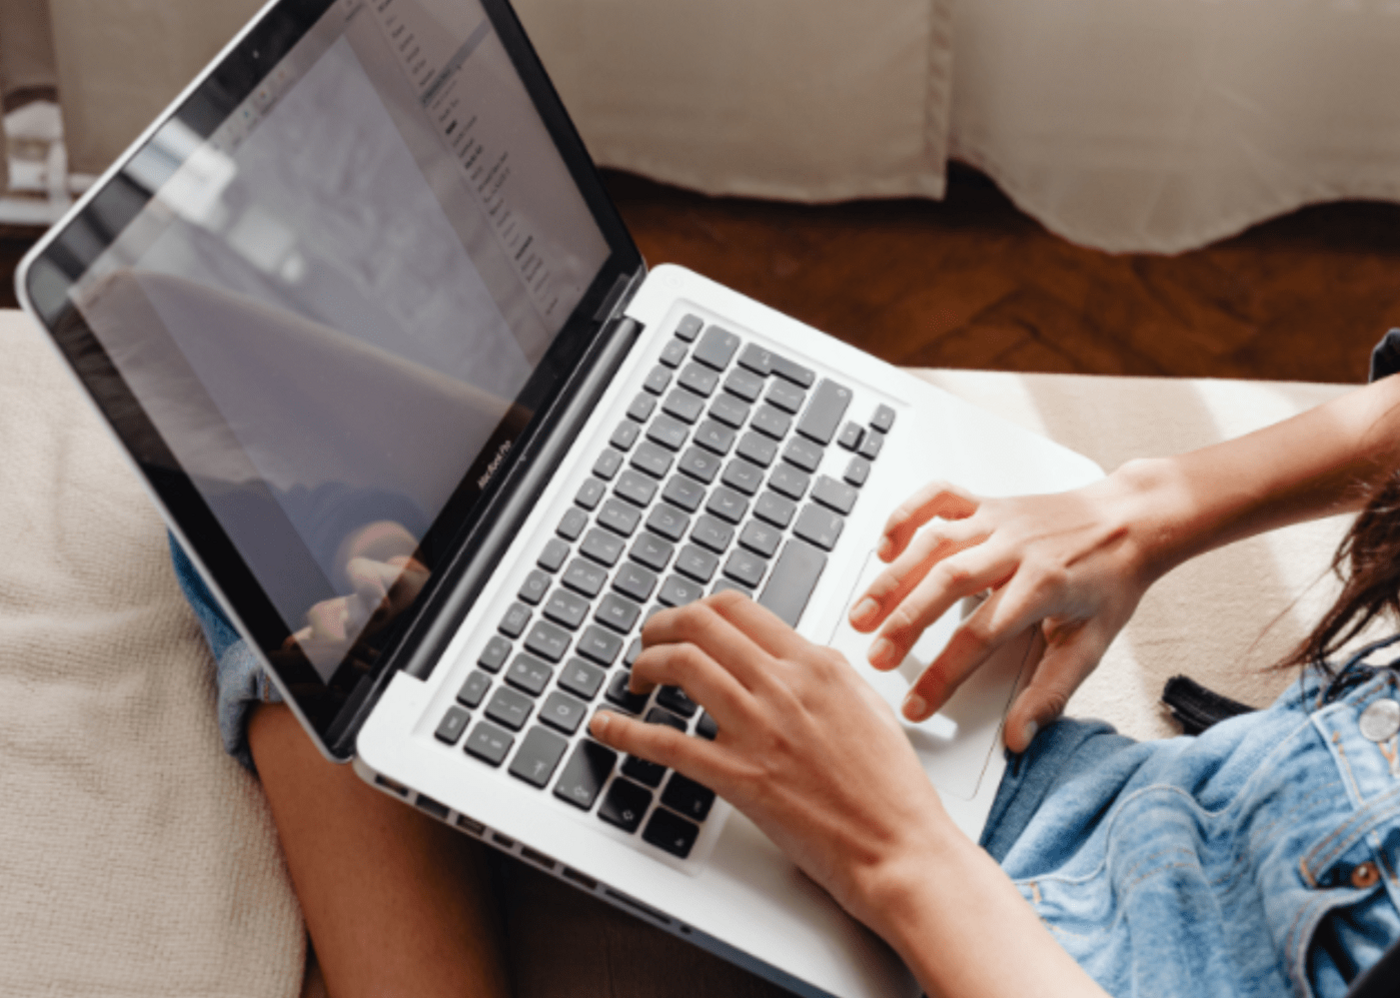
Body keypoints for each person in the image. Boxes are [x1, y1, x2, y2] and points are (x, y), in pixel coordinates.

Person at [179, 353, 1400, 997]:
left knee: (263, 519)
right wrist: (1143, 508)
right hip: (1141, 817)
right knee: (244, 399)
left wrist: (895, 853)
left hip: (1007, 932)